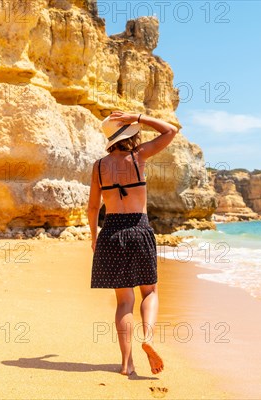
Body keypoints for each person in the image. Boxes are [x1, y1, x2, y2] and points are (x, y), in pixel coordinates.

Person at [87, 110, 178, 376]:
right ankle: (147, 338)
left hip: (112, 232)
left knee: (123, 301)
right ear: (129, 133)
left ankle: (126, 363)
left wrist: (94, 238)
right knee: (149, 292)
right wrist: (138, 117)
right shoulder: (139, 157)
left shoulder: (99, 166)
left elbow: (93, 208)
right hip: (139, 228)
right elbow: (170, 131)